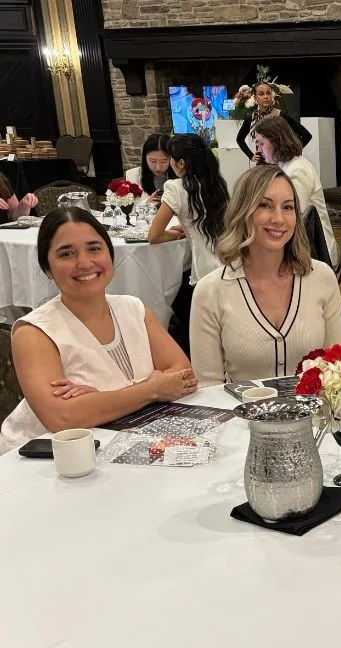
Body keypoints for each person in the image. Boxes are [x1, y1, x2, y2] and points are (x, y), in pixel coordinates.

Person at [0, 207, 196, 454]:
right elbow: (62, 419)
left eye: (94, 249)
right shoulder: (35, 332)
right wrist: (152, 388)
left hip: (122, 444)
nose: (84, 263)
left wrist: (99, 400)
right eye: (66, 254)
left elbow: (184, 376)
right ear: (47, 268)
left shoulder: (134, 309)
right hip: (45, 459)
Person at [189, 165, 341, 386]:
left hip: (316, 416)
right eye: (265, 205)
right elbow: (208, 388)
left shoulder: (322, 278)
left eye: (288, 207)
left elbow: (337, 369)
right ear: (243, 211)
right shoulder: (210, 291)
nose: (279, 219)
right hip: (241, 418)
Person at [254, 115, 339, 267]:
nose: (259, 150)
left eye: (261, 144)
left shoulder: (296, 170)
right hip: (305, 243)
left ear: (275, 141)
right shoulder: (287, 166)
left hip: (316, 250)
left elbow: (297, 217)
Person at [148, 133, 229, 284]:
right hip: (228, 261)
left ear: (181, 163)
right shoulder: (216, 183)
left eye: (171, 157)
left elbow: (154, 236)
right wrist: (187, 228)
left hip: (206, 268)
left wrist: (184, 232)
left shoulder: (176, 187)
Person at [235, 81, 311, 161]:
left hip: (280, 162)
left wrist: (293, 152)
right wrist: (250, 155)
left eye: (268, 93)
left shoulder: (280, 115)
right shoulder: (252, 118)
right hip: (262, 163)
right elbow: (239, 139)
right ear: (255, 98)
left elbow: (306, 135)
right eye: (261, 94)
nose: (266, 97)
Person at [125, 133, 176, 202]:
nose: (158, 167)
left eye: (163, 161)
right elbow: (128, 208)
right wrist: (146, 203)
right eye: (152, 161)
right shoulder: (133, 175)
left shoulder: (180, 176)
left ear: (172, 158)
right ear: (145, 158)